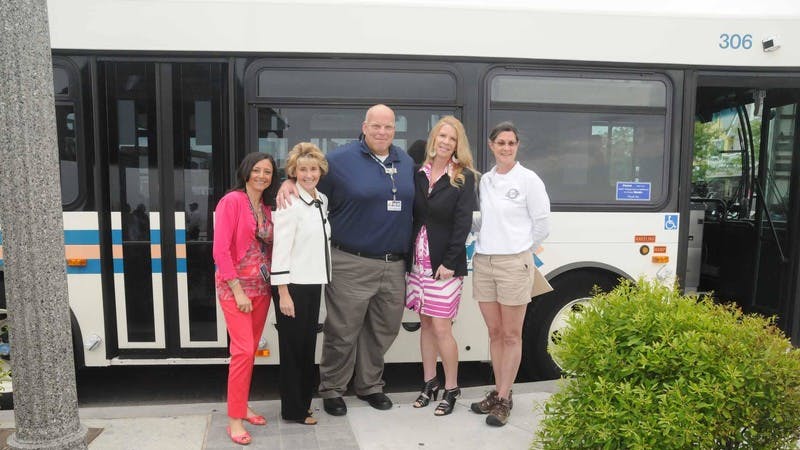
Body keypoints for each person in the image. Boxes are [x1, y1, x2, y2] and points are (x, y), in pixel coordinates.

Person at [277, 104, 414, 416]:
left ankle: (369, 386)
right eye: (376, 126)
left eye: (389, 127)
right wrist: (287, 182)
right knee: (342, 331)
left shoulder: (404, 161)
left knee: (382, 330)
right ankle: (333, 389)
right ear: (364, 127)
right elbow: (305, 184)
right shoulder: (338, 161)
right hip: (351, 261)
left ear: (395, 129)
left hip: (394, 265)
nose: (382, 132)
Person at [470, 122, 550, 427]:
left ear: (517, 146)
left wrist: (520, 250)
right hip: (484, 261)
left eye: (511, 143)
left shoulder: (529, 180)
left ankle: (504, 398)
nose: (506, 148)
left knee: (511, 334)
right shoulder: (485, 181)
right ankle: (498, 391)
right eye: (500, 143)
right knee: (494, 333)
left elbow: (542, 224)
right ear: (491, 146)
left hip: (513, 263)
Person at [406, 116, 477, 416]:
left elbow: (462, 224)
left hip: (444, 266)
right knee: (425, 326)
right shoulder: (418, 173)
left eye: (452, 138)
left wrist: (449, 262)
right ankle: (429, 383)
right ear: (434, 139)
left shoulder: (464, 176)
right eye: (442, 136)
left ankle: (451, 387)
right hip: (417, 263)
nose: (446, 142)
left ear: (458, 144)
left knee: (441, 327)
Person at [212, 152, 278, 445]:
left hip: (261, 288)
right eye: (257, 170)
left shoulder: (265, 207)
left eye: (268, 172)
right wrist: (237, 290)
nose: (262, 176)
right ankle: (234, 420)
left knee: (249, 351)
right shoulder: (232, 201)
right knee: (241, 351)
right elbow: (220, 251)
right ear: (246, 171)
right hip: (235, 288)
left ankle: (243, 405)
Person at [270, 142, 331, 426]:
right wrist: (283, 293)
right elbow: (280, 249)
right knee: (293, 350)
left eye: (313, 169)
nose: (308, 174)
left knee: (307, 348)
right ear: (293, 173)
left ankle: (303, 405)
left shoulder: (322, 200)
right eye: (302, 170)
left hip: (312, 283)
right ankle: (292, 410)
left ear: (321, 170)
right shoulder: (288, 203)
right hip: (291, 287)